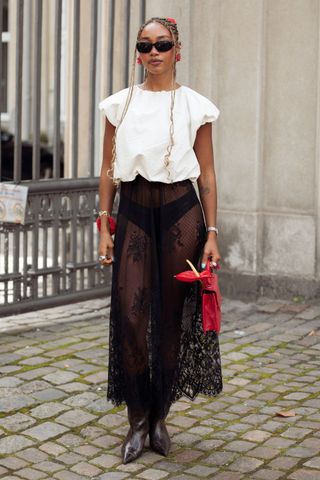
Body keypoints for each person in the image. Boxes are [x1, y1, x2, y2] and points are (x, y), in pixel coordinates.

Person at [98, 16, 222, 464]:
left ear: (177, 52)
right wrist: (103, 222)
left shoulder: (196, 106)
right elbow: (109, 168)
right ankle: (136, 417)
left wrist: (211, 232)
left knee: (171, 318)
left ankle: (159, 417)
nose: (153, 52)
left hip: (180, 212)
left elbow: (206, 173)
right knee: (131, 315)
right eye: (145, 45)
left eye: (162, 45)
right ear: (138, 52)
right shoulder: (119, 104)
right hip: (132, 209)